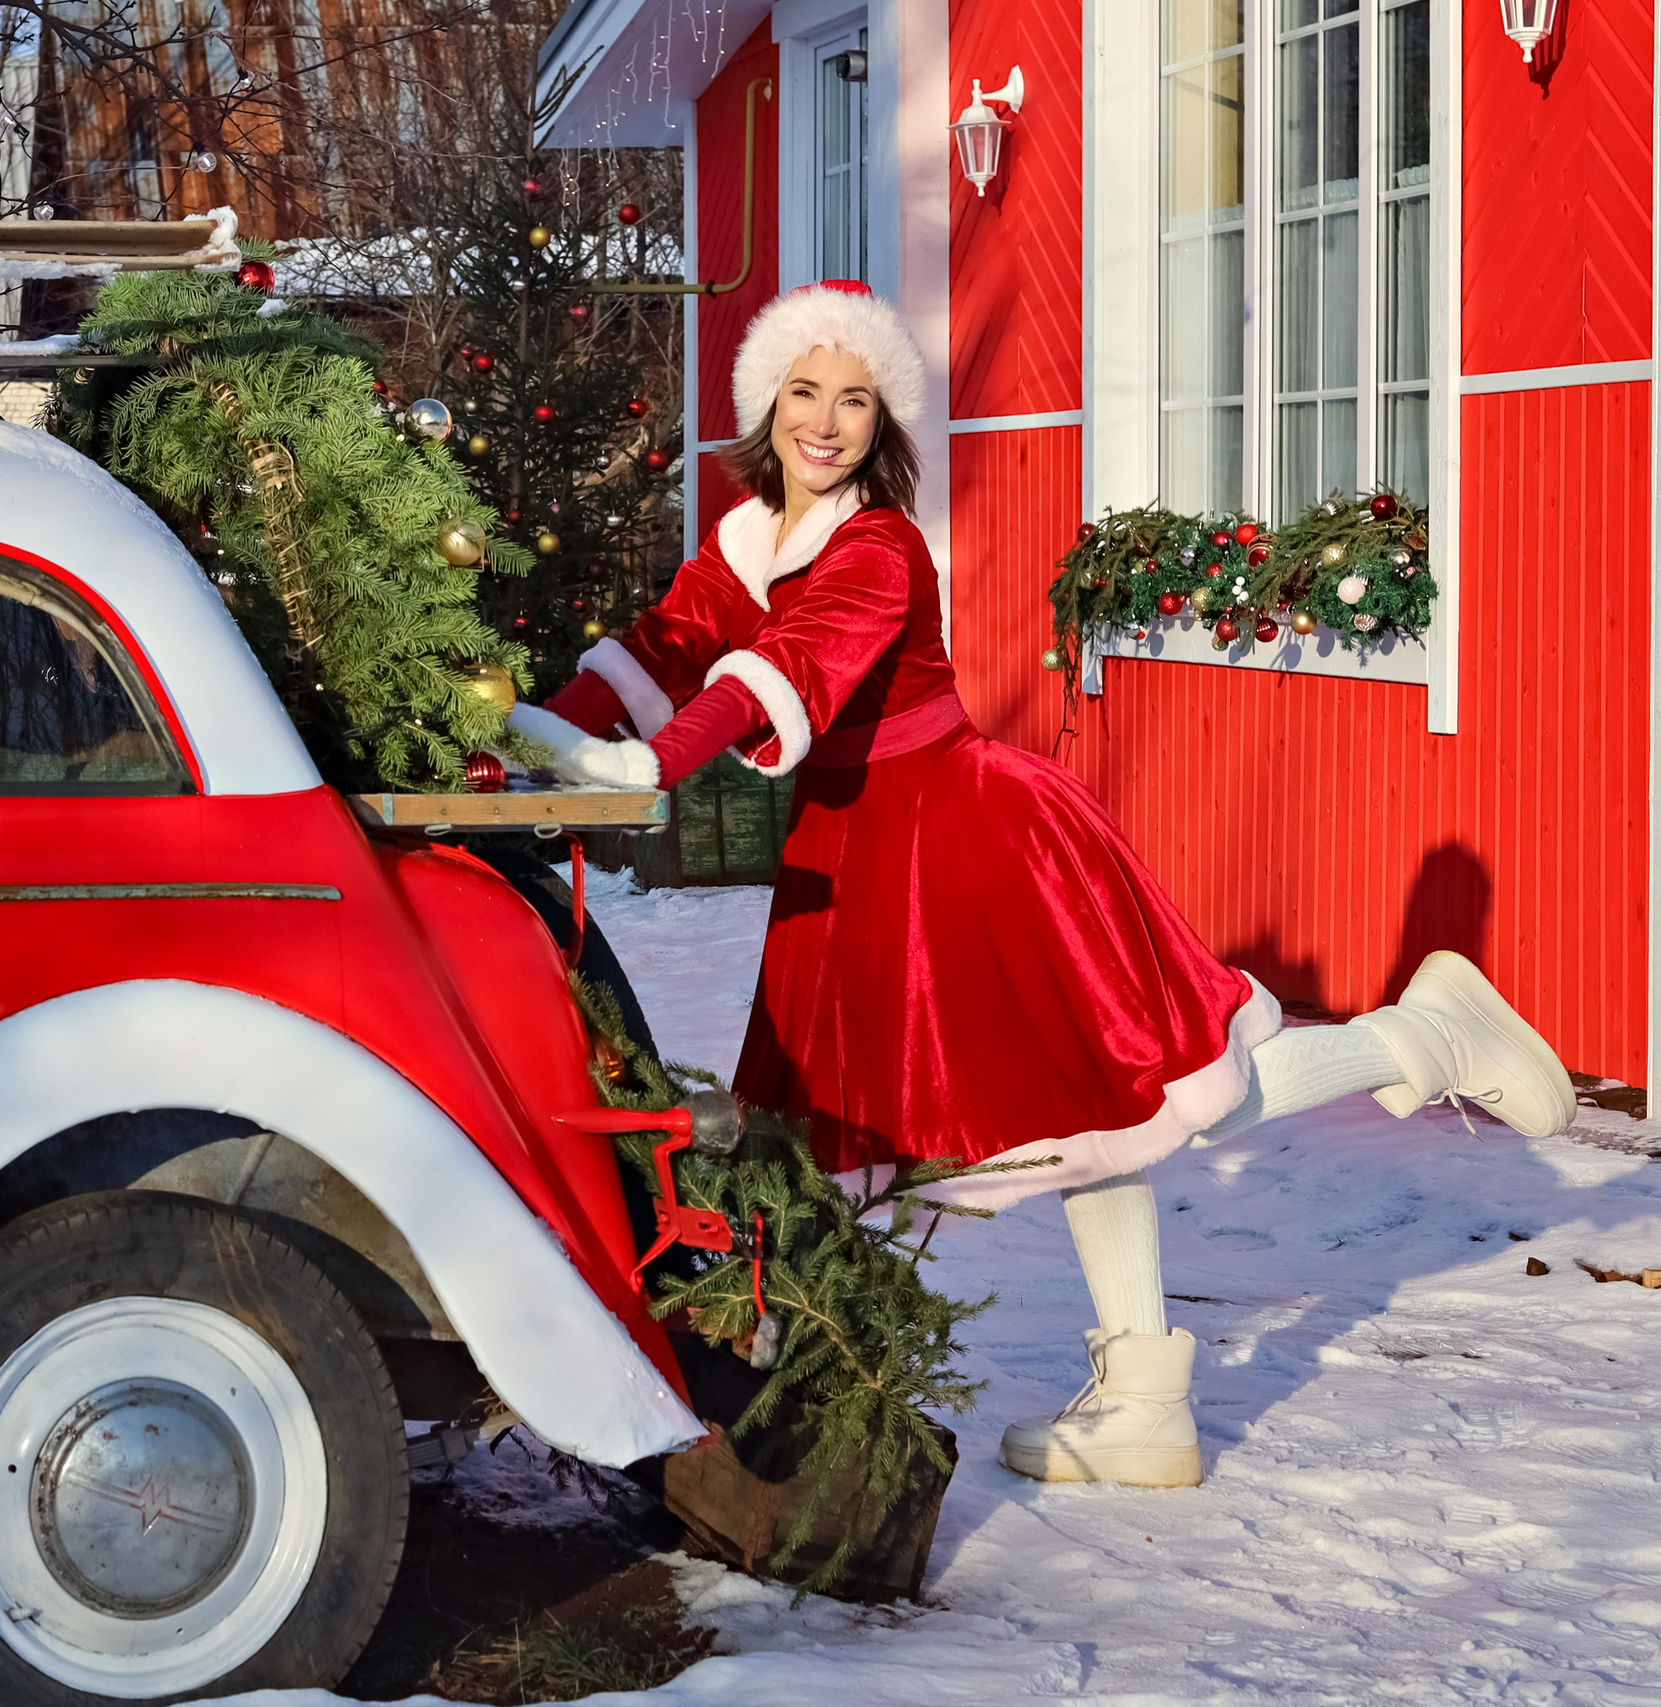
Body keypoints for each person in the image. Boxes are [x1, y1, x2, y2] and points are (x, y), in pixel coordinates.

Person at [506, 280, 1575, 1491]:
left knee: (1155, 1088)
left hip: (969, 840)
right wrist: (531, 744)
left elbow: (789, 665)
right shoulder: (748, 544)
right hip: (860, 857)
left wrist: (653, 764)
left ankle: (1415, 1037)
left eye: (853, 398)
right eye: (804, 392)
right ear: (765, 404)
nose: (825, 420)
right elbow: (661, 649)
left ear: (882, 423)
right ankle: (1140, 1400)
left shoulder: (876, 546)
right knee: (1083, 1120)